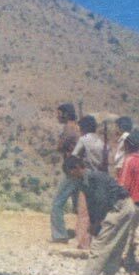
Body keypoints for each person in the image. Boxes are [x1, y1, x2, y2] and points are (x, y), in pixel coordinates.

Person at [60, 156, 136, 275]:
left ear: (77, 168)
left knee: (101, 243)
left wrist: (97, 223)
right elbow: (91, 204)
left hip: (121, 207)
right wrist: (92, 223)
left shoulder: (95, 178)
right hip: (119, 207)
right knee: (114, 242)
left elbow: (101, 201)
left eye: (70, 173)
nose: (70, 177)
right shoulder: (82, 181)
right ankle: (109, 274)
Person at [50, 103, 88, 246]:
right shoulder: (77, 128)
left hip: (72, 171)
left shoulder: (69, 128)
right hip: (80, 169)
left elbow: (60, 147)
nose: (57, 116)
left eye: (59, 113)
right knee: (80, 206)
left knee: (57, 204)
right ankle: (85, 234)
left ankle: (60, 235)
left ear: (65, 114)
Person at [119, 130, 139, 270]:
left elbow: (124, 184)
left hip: (131, 200)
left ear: (127, 146)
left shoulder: (129, 161)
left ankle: (122, 257)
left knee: (126, 230)